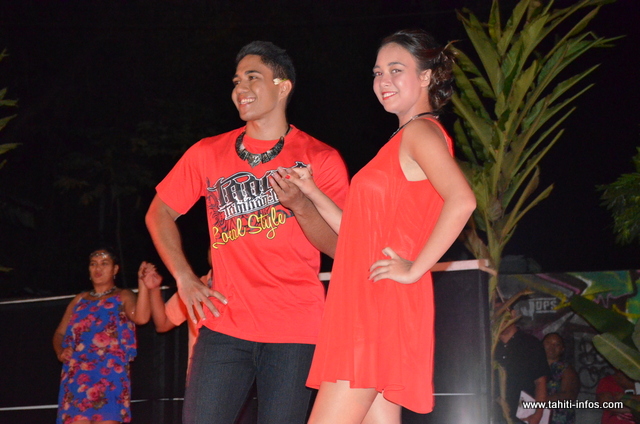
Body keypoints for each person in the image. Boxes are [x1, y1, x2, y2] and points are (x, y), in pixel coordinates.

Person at [144, 40, 349, 424]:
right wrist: (184, 277)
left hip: (295, 328)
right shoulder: (207, 152)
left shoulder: (321, 158)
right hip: (224, 323)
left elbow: (343, 247)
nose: (241, 88)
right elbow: (159, 213)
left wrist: (302, 205)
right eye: (237, 81)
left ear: (282, 86)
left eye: (253, 78)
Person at [280, 29, 476, 423]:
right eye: (377, 72)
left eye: (396, 69)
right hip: (372, 299)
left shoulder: (420, 132)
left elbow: (463, 199)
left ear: (426, 76)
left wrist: (415, 268)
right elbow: (358, 231)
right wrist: (312, 192)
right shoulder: (402, 139)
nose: (383, 80)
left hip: (376, 306)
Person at [52, 248, 158, 424]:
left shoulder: (123, 295)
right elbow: (59, 333)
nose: (98, 268)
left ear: (115, 269)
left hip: (109, 373)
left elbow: (141, 317)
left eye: (104, 263)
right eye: (93, 264)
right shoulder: (80, 300)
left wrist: (143, 284)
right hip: (77, 373)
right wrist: (60, 351)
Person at [494, 303, 550, 424]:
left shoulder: (531, 344)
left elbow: (540, 381)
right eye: (496, 312)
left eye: (503, 312)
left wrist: (538, 414)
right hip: (493, 414)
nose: (500, 317)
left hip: (523, 416)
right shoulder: (489, 346)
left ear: (513, 314)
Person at [542, 333, 579, 424]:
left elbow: (568, 395)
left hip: (558, 417)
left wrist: (539, 401)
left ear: (562, 349)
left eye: (557, 344)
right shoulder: (534, 366)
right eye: (548, 343)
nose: (551, 347)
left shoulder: (566, 369)